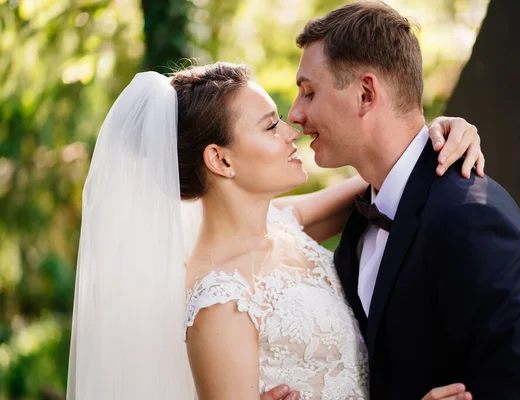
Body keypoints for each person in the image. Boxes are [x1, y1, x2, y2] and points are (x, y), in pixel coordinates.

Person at [66, 62, 483, 399]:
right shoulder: (219, 303)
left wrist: (443, 134)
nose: (292, 132)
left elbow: (392, 173)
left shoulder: (284, 221)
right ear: (221, 160)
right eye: (270, 126)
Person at [286, 1, 520, 399]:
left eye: (309, 92)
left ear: (366, 94)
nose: (295, 114)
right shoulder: (365, 211)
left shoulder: (473, 219)